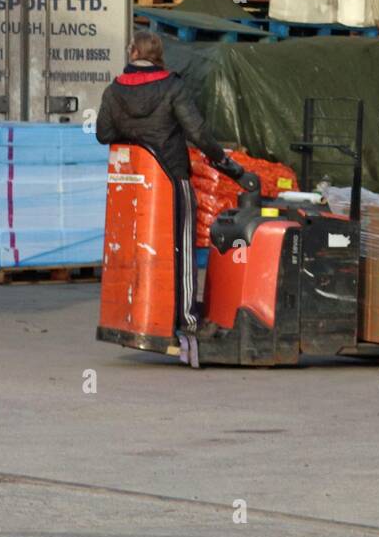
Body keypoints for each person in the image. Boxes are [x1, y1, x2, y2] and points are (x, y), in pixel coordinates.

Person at [96, 31, 258, 341]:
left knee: (134, 248)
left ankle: (132, 312)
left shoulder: (114, 91)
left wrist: (135, 138)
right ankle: (186, 318)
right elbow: (196, 131)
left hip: (132, 183)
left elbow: (103, 134)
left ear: (132, 54)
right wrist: (225, 163)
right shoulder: (172, 86)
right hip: (170, 177)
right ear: (158, 55)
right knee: (180, 247)